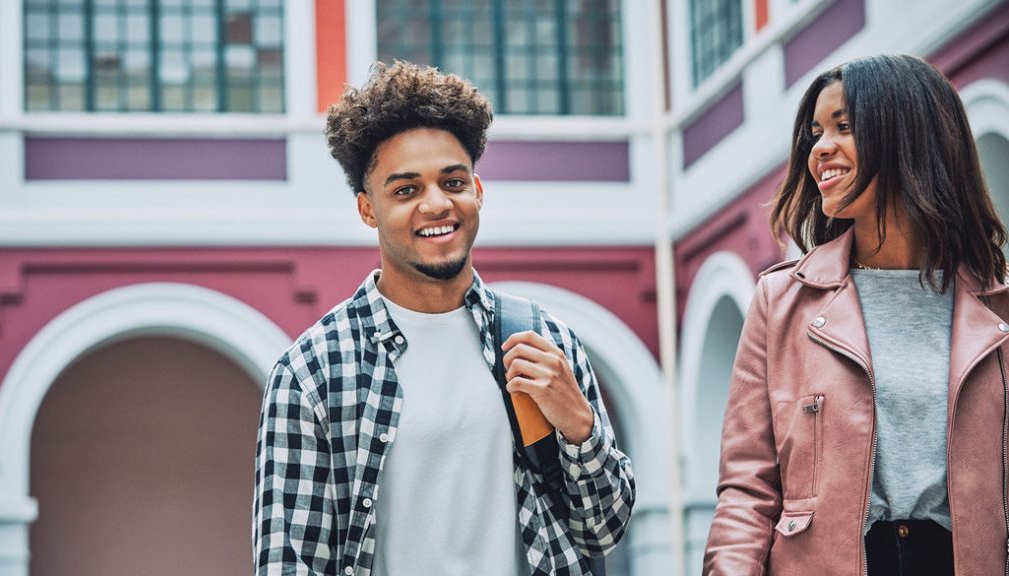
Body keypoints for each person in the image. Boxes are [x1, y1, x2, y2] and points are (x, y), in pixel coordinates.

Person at [252, 61, 634, 576]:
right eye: (405, 190)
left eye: (452, 182)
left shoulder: (540, 341)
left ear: (477, 189)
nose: (436, 204)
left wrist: (580, 426)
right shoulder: (313, 372)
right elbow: (288, 564)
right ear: (368, 208)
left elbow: (603, 529)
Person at [702, 54, 1009, 576]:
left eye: (844, 127)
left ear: (910, 135)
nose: (820, 149)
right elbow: (748, 489)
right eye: (815, 133)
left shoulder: (996, 306)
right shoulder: (781, 303)